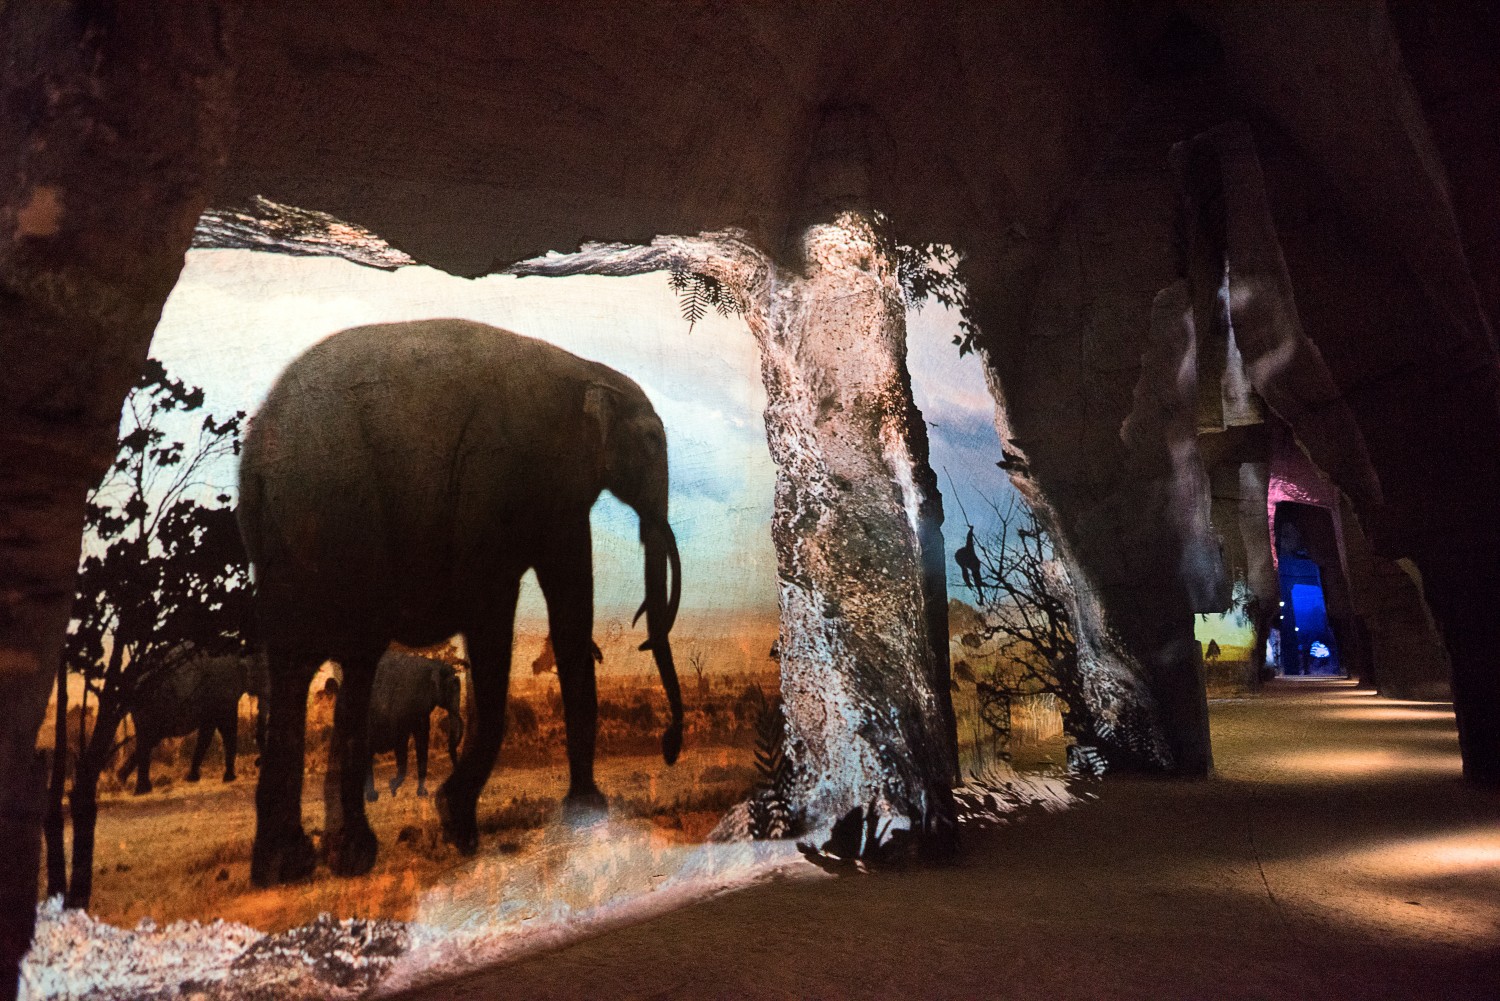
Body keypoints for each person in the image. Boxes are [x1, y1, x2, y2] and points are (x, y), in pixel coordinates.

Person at [955, 525, 984, 602]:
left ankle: (980, 593)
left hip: (963, 557)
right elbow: (969, 539)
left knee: (976, 575)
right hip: (962, 557)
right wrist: (971, 530)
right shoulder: (969, 551)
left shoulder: (970, 552)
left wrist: (971, 530)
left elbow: (969, 539)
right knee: (975, 574)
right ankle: (980, 591)